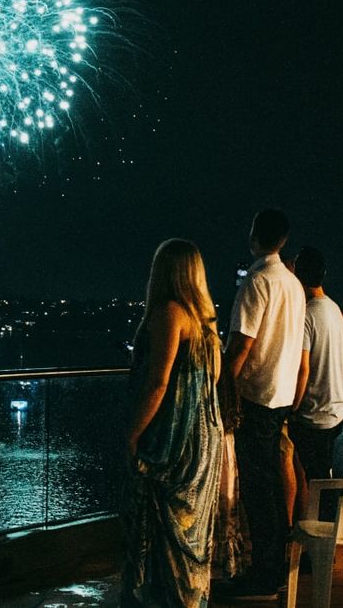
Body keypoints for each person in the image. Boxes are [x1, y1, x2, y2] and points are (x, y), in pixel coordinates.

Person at [122, 239, 224, 607]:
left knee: (162, 529)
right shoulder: (206, 322)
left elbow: (159, 381)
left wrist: (133, 434)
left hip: (174, 441)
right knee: (192, 533)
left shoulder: (170, 313)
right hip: (204, 438)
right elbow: (209, 382)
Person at [219, 209, 306, 598]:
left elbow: (241, 344)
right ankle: (273, 567)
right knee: (269, 484)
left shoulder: (257, 281)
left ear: (255, 235)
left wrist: (222, 388)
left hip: (256, 397)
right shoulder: (293, 283)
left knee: (259, 489)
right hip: (282, 396)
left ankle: (265, 573)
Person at [288, 246, 343, 484]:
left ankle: (317, 521)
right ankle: (329, 518)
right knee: (326, 478)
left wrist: (292, 409)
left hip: (314, 415)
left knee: (313, 480)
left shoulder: (306, 314)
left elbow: (304, 369)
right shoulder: (333, 309)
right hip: (336, 410)